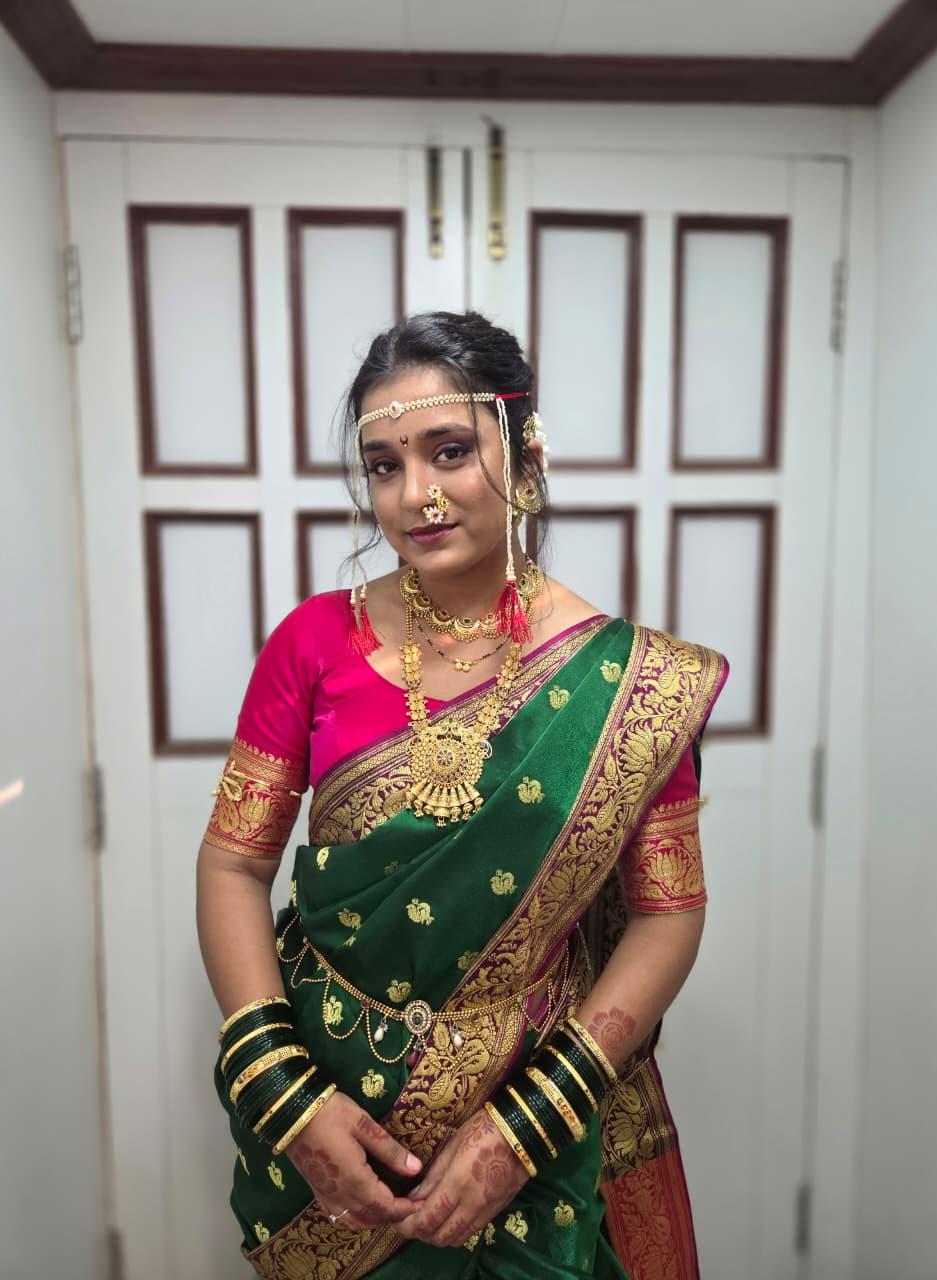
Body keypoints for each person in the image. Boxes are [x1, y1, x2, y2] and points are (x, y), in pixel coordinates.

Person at [196, 309, 729, 1280]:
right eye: (385, 464)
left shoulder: (631, 685)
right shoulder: (312, 643)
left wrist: (529, 1125)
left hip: (530, 1116)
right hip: (326, 1099)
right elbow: (233, 866)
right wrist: (284, 1092)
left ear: (525, 459)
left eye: (449, 451)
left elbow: (668, 913)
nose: (416, 495)